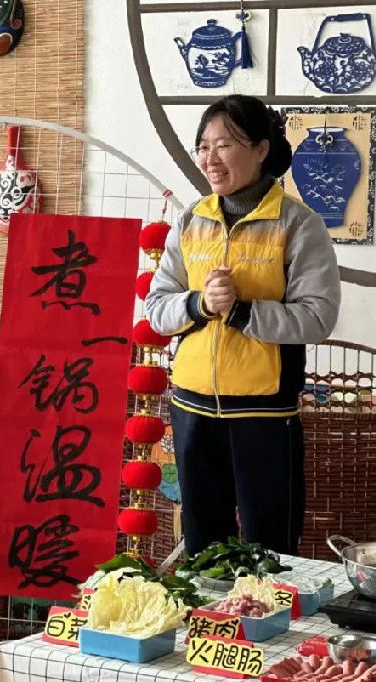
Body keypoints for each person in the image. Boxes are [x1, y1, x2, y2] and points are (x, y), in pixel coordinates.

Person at [144, 95, 341, 557]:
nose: (210, 159)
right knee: (202, 551)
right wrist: (200, 304)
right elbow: (156, 307)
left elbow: (318, 317)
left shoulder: (298, 224)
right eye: (204, 146)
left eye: (225, 145)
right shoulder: (191, 220)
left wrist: (240, 311)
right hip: (192, 410)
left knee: (269, 552)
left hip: (264, 415)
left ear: (261, 149)